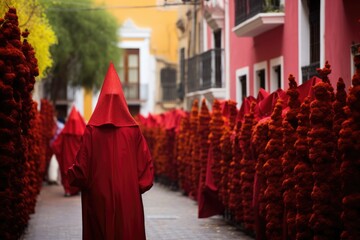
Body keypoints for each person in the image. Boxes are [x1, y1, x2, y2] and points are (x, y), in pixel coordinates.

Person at [68, 63, 154, 240]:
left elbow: (82, 170)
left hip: (98, 197)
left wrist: (71, 175)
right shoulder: (133, 130)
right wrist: (131, 188)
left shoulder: (92, 130)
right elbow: (145, 171)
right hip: (128, 198)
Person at [52, 106, 86, 196]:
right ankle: (75, 189)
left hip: (66, 158)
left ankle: (68, 190)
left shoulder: (64, 133)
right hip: (78, 158)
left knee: (67, 171)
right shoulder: (82, 133)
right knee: (77, 171)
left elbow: (56, 145)